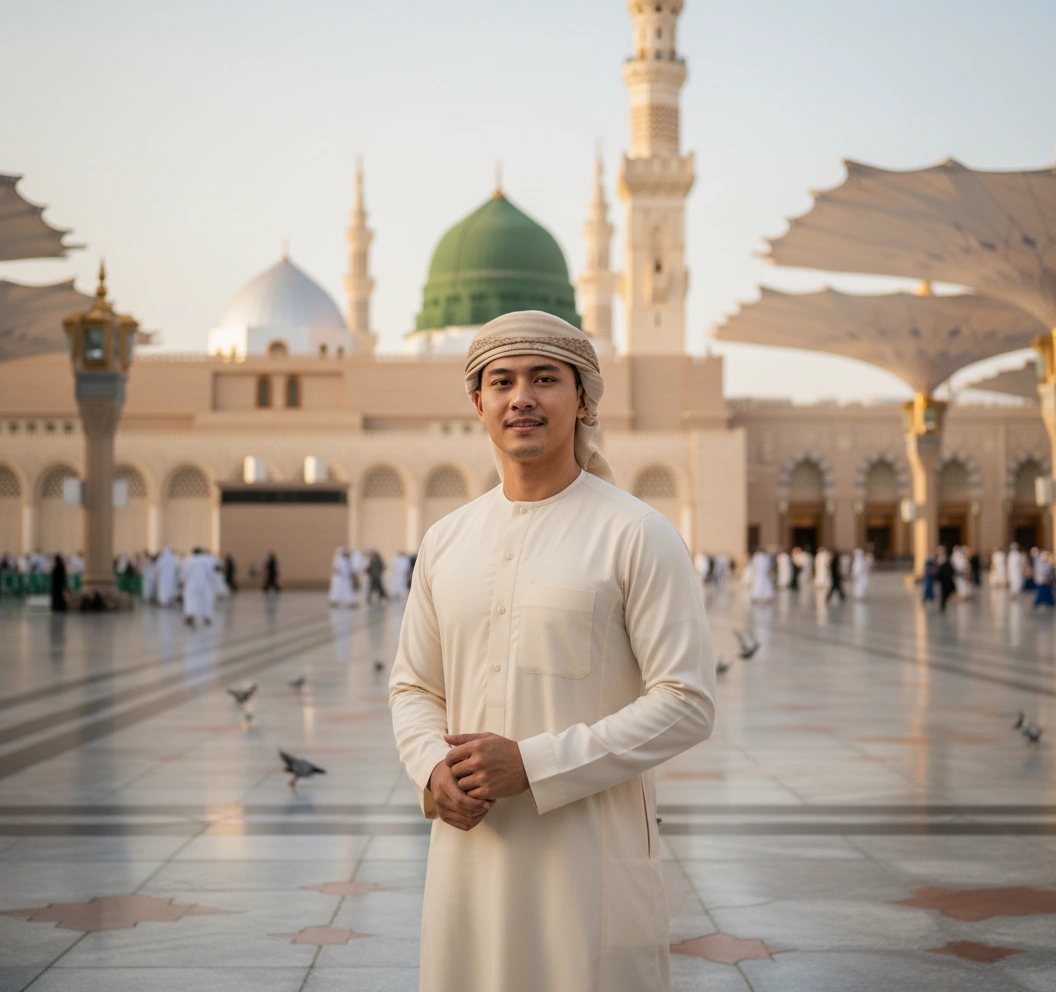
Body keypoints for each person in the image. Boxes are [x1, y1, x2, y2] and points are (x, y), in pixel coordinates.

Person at [389, 310, 716, 992]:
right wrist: (430, 768)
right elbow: (415, 686)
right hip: (469, 860)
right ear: (478, 403)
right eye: (501, 381)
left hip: (588, 868)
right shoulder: (447, 541)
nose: (522, 398)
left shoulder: (635, 533)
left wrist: (533, 765)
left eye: (545, 379)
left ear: (583, 399)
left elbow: (687, 702)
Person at [180, 547, 216, 626]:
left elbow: (184, 573)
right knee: (206, 599)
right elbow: (210, 573)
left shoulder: (188, 560)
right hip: (205, 583)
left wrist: (182, 581)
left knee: (191, 599)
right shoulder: (206, 560)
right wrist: (211, 582)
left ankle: (190, 614)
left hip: (191, 584)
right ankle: (207, 616)